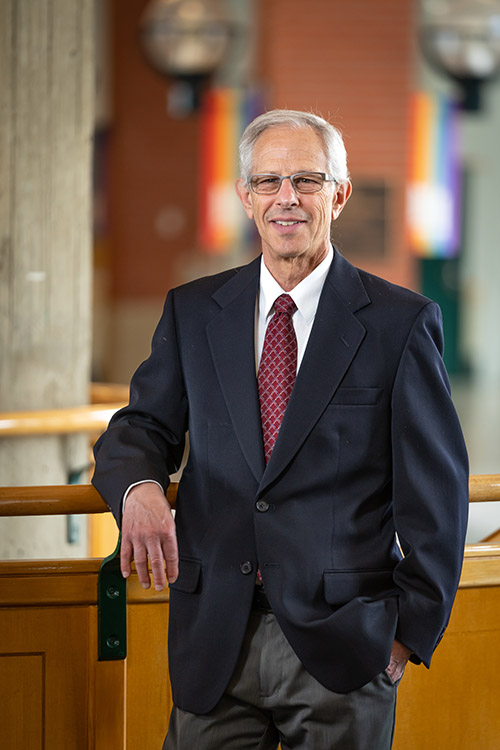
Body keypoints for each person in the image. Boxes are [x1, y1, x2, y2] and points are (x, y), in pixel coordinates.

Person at [92, 109, 469, 750]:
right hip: (215, 637)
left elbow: (438, 498)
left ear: (339, 194)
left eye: (307, 180)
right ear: (245, 196)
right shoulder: (193, 311)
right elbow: (141, 425)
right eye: (267, 182)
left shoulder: (399, 323)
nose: (285, 198)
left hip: (345, 652)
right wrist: (139, 490)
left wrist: (403, 639)